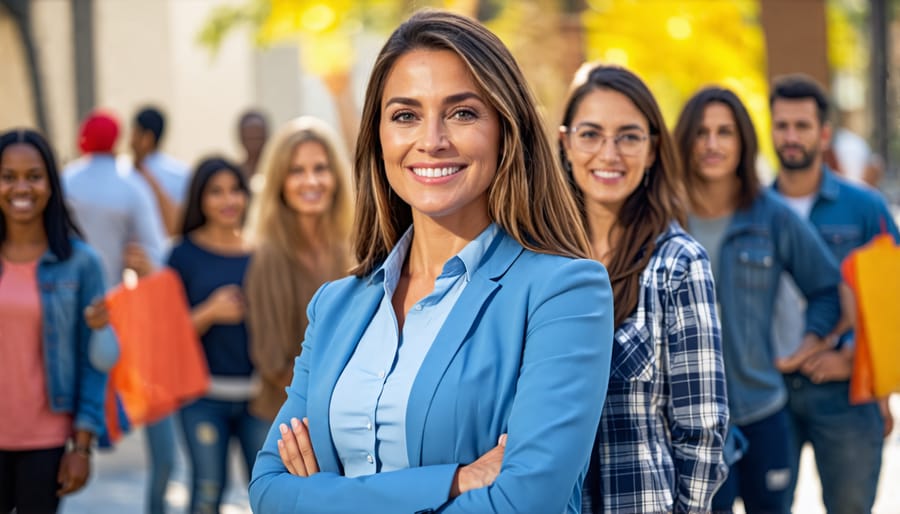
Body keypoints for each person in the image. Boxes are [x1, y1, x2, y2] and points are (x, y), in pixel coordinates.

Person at [249, 10, 615, 514]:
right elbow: (268, 489)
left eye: (462, 113)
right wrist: (454, 480)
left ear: (505, 129)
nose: (432, 139)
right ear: (377, 137)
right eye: (405, 115)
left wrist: (320, 499)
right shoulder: (335, 307)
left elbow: (523, 501)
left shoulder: (565, 293)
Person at [558, 64, 728, 514]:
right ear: (565, 144)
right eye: (591, 134)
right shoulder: (537, 260)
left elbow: (702, 429)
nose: (609, 154)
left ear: (653, 150)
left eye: (629, 136)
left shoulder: (678, 263)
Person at [672, 86, 842, 514]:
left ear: (742, 141)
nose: (712, 144)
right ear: (685, 140)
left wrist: (807, 346)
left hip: (763, 410)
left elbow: (827, 289)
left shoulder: (772, 216)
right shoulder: (663, 217)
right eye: (702, 132)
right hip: (687, 422)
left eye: (724, 132)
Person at [768, 74, 899, 514]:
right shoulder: (754, 210)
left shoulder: (866, 208)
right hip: (772, 391)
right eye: (781, 125)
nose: (790, 137)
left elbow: (891, 306)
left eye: (801, 126)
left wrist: (854, 362)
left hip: (846, 391)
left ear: (824, 133)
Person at [62, 110, 174, 514]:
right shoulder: (130, 185)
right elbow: (157, 254)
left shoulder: (65, 180)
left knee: (65, 395)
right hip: (120, 313)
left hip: (65, 307)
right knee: (156, 417)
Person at [0, 128, 109, 513]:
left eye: (33, 176)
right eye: (8, 176)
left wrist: (82, 445)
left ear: (50, 183)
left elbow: (94, 362)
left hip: (45, 441)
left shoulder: (82, 265)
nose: (21, 188)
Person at [166, 157, 269, 513]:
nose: (228, 200)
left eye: (235, 190)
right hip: (202, 397)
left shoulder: (263, 254)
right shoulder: (182, 255)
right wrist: (209, 312)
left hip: (260, 398)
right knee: (207, 491)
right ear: (200, 199)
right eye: (216, 192)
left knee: (267, 493)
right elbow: (166, 335)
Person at [243, 116, 354, 423]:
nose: (311, 181)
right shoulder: (268, 257)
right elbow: (274, 363)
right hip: (285, 421)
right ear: (280, 182)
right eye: (296, 171)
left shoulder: (355, 250)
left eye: (320, 168)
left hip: (349, 416)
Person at [130, 106, 191, 236]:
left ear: (147, 138)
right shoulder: (182, 171)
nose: (130, 141)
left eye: (134, 133)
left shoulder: (129, 172)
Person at [236, 109, 269, 181]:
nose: (254, 144)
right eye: (250, 138)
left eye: (258, 138)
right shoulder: (235, 173)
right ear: (241, 138)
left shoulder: (274, 169)